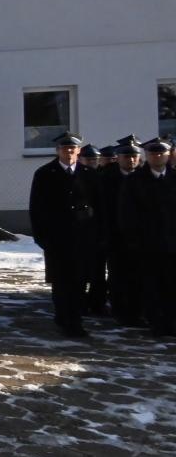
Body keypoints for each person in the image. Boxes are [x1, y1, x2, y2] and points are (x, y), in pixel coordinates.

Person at [28, 132, 96, 337]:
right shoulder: (45, 173)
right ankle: (64, 317)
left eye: (72, 148)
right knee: (61, 281)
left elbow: (99, 205)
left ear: (78, 150)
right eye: (65, 148)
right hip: (57, 237)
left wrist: (98, 233)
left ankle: (75, 319)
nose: (69, 152)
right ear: (58, 150)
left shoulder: (89, 173)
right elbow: (37, 207)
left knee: (80, 280)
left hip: (83, 236)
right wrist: (41, 236)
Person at [119, 138, 176, 336]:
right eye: (153, 153)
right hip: (147, 244)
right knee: (151, 285)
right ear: (147, 156)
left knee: (172, 285)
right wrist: (133, 241)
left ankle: (171, 322)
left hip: (172, 244)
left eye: (161, 153)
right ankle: (156, 323)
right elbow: (127, 214)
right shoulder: (135, 181)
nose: (157, 156)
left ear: (169, 155)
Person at [101, 138, 143, 326]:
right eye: (127, 156)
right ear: (118, 158)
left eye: (134, 156)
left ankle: (137, 311)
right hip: (115, 235)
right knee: (118, 274)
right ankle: (119, 310)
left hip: (141, 237)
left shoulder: (144, 177)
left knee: (139, 276)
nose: (131, 160)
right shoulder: (107, 178)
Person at [77, 144, 108, 315]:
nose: (92, 163)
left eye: (94, 160)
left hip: (98, 231)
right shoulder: (78, 176)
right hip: (82, 230)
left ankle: (98, 303)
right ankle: (81, 303)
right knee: (81, 272)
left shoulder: (102, 177)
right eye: (89, 159)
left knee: (98, 273)